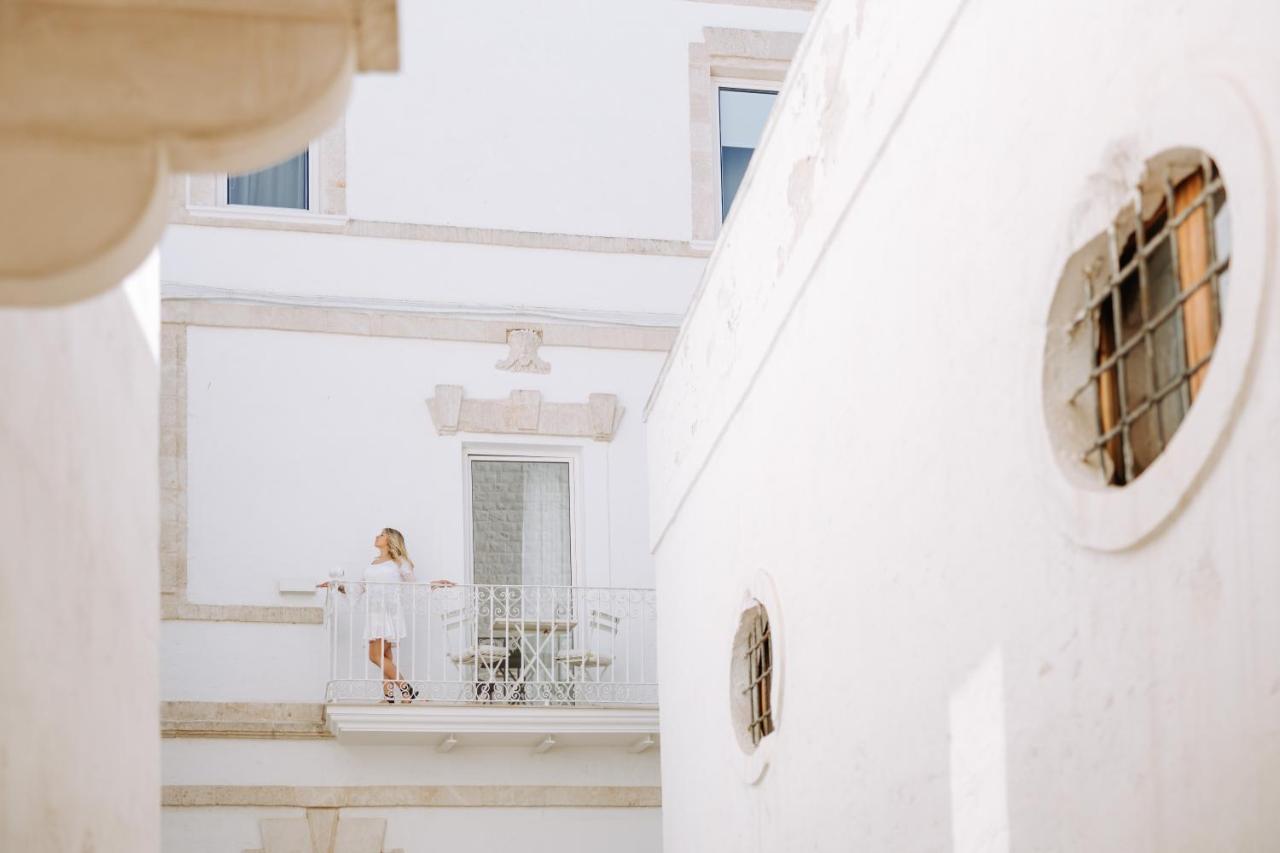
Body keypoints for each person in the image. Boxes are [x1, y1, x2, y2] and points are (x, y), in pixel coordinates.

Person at [318, 528, 454, 703]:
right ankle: (390, 696)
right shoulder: (373, 563)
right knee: (385, 655)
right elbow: (358, 589)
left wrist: (434, 583)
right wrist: (335, 585)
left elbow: (413, 585)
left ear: (391, 539)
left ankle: (408, 691)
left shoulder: (399, 562)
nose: (377, 536)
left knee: (375, 656)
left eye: (382, 534)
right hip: (374, 612)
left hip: (388, 612)